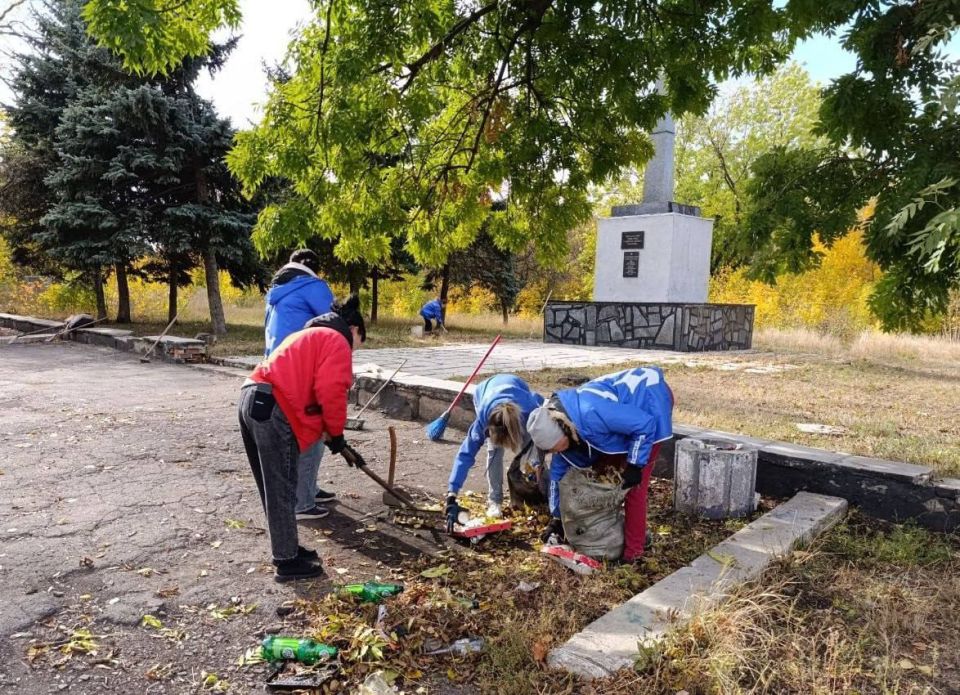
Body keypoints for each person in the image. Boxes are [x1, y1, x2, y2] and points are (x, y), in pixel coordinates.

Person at [238, 297, 367, 582]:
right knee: (283, 486)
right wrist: (336, 434)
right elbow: (331, 391)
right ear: (354, 329)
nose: (354, 349)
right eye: (358, 342)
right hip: (273, 407)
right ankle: (287, 561)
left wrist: (333, 438)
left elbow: (308, 393)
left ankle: (286, 549)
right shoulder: (337, 339)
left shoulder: (309, 335)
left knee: (273, 487)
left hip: (253, 396)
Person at [525, 367, 673, 562]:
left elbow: (645, 424)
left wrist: (635, 465)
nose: (555, 453)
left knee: (634, 490)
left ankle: (634, 552)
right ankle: (613, 530)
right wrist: (557, 518)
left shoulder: (591, 414)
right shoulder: (563, 425)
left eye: (554, 448)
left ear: (564, 432)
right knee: (606, 473)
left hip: (650, 400)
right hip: (622, 417)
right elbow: (557, 477)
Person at [263, 249, 336, 521]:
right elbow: (334, 321)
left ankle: (308, 489)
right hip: (302, 370)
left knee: (297, 434)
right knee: (312, 433)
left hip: (277, 369)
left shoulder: (277, 291)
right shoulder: (313, 286)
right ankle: (302, 501)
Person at [444, 375, 544, 530]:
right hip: (484, 392)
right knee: (494, 453)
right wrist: (452, 494)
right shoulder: (483, 422)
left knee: (531, 446)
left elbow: (542, 403)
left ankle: (538, 491)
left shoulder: (529, 409)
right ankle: (494, 501)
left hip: (517, 388)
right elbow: (465, 455)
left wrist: (537, 463)